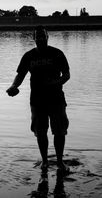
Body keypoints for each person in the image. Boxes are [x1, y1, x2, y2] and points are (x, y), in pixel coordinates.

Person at [6, 25, 70, 173]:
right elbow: (20, 75)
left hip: (56, 99)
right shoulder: (28, 56)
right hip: (37, 100)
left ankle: (60, 162)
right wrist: (14, 86)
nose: (41, 38)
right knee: (40, 132)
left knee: (59, 131)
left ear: (47, 37)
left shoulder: (57, 54)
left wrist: (55, 83)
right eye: (38, 36)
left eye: (43, 36)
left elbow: (66, 75)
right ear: (33, 38)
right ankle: (45, 161)